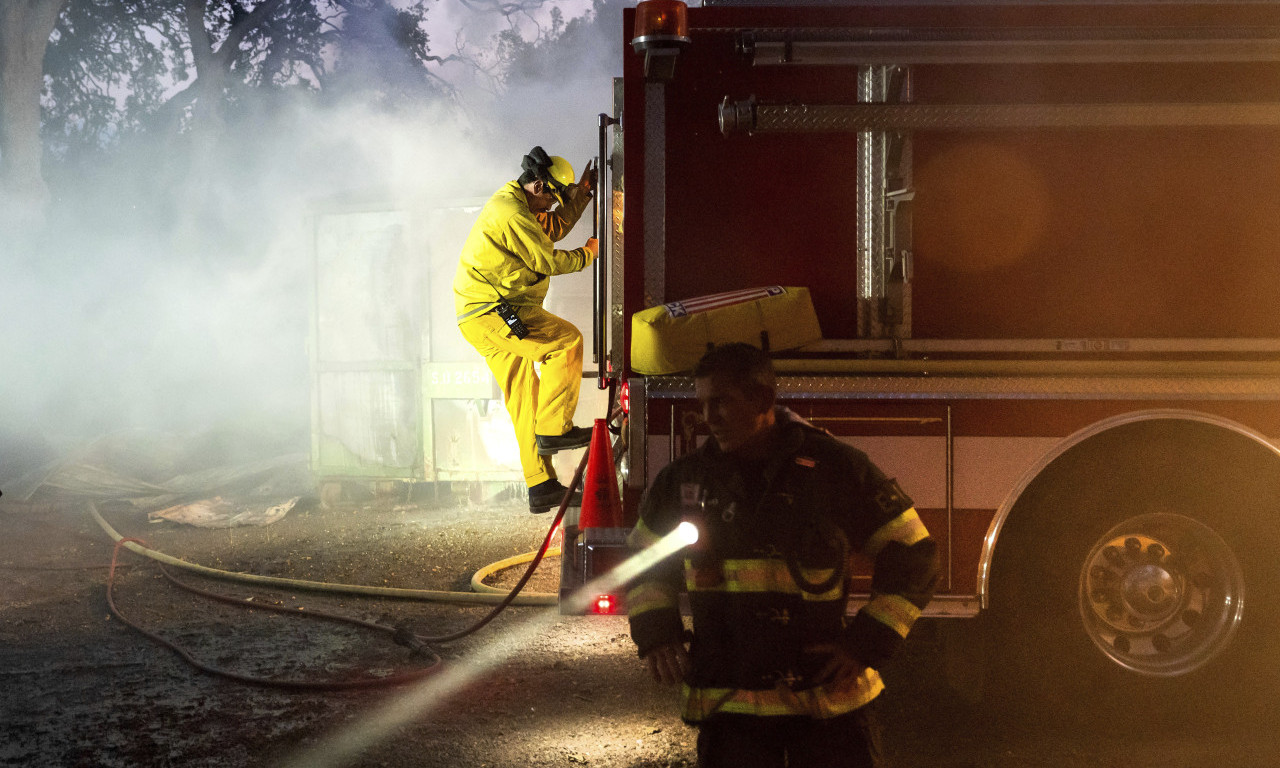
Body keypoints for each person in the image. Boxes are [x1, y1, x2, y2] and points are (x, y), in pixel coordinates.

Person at [626, 342, 939, 768]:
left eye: (722, 403)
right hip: (729, 703)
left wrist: (865, 643)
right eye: (702, 404)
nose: (708, 418)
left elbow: (913, 551)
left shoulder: (835, 469)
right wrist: (657, 632)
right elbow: (643, 559)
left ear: (763, 400)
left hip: (826, 703)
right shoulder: (684, 481)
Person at [454, 146, 600, 514]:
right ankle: (554, 428)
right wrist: (589, 253)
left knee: (523, 400)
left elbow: (551, 228)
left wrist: (579, 194)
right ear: (538, 185)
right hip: (494, 310)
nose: (552, 206)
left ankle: (540, 485)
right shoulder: (512, 212)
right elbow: (547, 258)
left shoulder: (523, 207)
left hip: (483, 313)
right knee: (566, 343)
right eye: (552, 197)